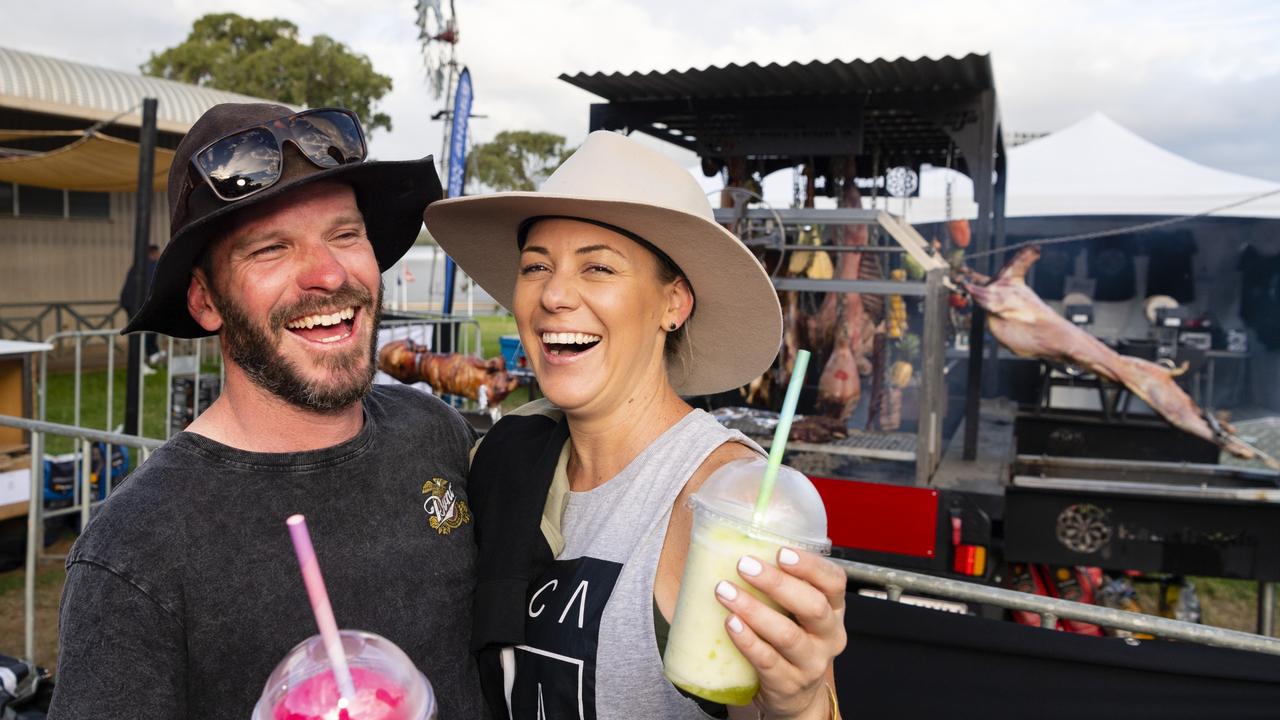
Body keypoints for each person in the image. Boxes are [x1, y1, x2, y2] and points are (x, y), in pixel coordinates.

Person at [49, 104, 484, 719]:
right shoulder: (135, 553)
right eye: (271, 249)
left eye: (344, 233)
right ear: (205, 301)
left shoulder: (432, 431)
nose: (329, 274)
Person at [428, 131, 847, 719]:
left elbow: (778, 705)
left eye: (598, 267)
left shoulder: (725, 499)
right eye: (535, 266)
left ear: (673, 304)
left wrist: (799, 703)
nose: (553, 294)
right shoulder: (505, 457)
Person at [119, 243, 163, 369]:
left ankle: (150, 354)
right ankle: (141, 362)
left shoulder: (138, 265)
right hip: (138, 303)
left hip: (131, 303)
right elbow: (153, 287)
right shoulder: (152, 265)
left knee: (143, 331)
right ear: (153, 253)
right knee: (145, 331)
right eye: (157, 253)